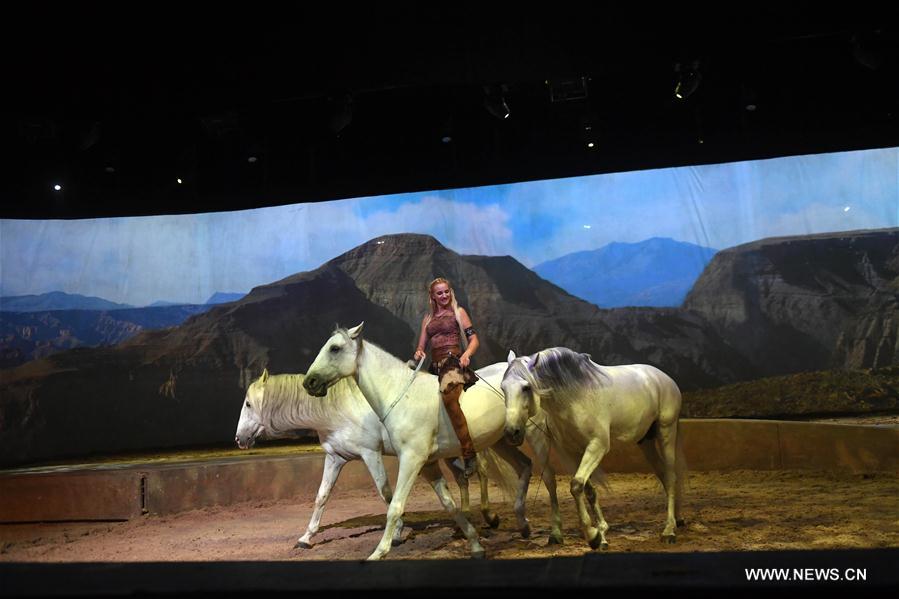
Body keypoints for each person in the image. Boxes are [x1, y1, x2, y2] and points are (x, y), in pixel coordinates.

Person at [413, 277, 480, 477]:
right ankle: (439, 452)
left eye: (446, 292)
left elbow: (474, 339)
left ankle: (469, 453)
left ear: (450, 292)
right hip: (434, 366)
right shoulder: (427, 319)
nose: (444, 296)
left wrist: (467, 354)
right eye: (439, 293)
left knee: (449, 399)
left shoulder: (458, 313)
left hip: (453, 362)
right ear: (432, 296)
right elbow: (421, 346)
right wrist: (418, 353)